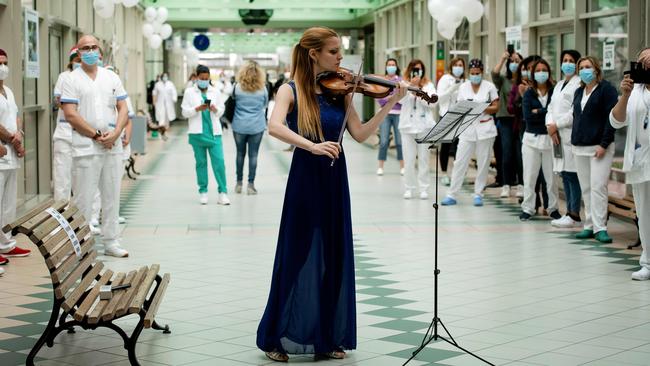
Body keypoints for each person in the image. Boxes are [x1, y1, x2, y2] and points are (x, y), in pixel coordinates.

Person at [256, 26, 408, 362]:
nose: (341, 59)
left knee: (334, 256)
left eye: (340, 52)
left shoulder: (341, 92)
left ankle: (326, 336)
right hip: (305, 178)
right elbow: (275, 126)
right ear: (314, 54)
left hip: (335, 177)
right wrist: (312, 145)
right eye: (334, 52)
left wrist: (389, 103)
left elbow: (360, 134)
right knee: (295, 255)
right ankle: (274, 336)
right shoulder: (290, 89)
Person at [61, 36, 130, 258]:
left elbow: (123, 108)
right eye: (85, 48)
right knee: (84, 199)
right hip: (86, 147)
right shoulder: (71, 79)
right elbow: (70, 114)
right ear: (78, 53)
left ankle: (112, 241)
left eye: (93, 47)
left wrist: (116, 133)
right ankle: (82, 247)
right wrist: (97, 135)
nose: (90, 51)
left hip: (112, 145)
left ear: (99, 52)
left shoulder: (111, 77)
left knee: (112, 196)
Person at [610, 48, 650, 280]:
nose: (645, 64)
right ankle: (647, 261)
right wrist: (624, 95)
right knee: (644, 213)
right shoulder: (633, 91)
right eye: (642, 60)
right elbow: (615, 121)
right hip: (639, 160)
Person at [571, 56, 618, 243]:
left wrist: (604, 143)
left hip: (600, 147)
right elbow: (576, 117)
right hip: (579, 146)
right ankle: (589, 225)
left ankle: (601, 228)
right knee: (587, 188)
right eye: (581, 67)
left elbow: (612, 119)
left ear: (596, 69)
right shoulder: (578, 91)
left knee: (598, 187)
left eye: (588, 66)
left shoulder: (607, 90)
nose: (584, 70)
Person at [442, 58, 499, 207]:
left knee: (483, 162)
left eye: (477, 73)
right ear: (469, 72)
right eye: (472, 73)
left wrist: (481, 107)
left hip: (485, 130)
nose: (475, 76)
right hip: (467, 130)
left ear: (481, 72)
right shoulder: (463, 87)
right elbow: (461, 105)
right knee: (460, 162)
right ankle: (452, 194)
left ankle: (478, 194)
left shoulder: (489, 87)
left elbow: (496, 107)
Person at [181, 64, 230, 205]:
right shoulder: (189, 92)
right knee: (201, 164)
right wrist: (197, 109)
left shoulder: (215, 92)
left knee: (219, 163)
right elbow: (184, 112)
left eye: (207, 78)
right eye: (202, 78)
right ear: (196, 77)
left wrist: (214, 109)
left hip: (214, 133)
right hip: (197, 134)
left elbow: (221, 110)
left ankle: (223, 193)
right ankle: (203, 191)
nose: (204, 81)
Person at [519, 58, 561, 221]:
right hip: (531, 140)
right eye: (538, 71)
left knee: (551, 178)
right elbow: (528, 117)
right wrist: (545, 112)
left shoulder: (555, 91)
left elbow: (556, 114)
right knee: (529, 176)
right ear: (533, 74)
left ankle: (553, 208)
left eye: (544, 70)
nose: (541, 73)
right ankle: (528, 208)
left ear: (549, 73)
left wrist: (539, 111)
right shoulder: (529, 93)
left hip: (551, 140)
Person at [0, 48, 30, 269]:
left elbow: (16, 116)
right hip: (3, 150)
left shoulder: (8, 91)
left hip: (11, 153)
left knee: (8, 204)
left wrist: (19, 135)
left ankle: (7, 243)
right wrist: (12, 138)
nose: (3, 67)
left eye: (5, 62)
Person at [546, 50, 583, 228]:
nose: (567, 63)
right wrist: (550, 127)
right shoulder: (559, 84)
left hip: (568, 135)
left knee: (572, 175)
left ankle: (574, 214)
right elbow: (551, 109)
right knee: (564, 174)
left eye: (571, 60)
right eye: (564, 60)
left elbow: (574, 112)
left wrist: (557, 126)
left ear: (577, 64)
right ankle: (568, 212)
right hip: (556, 136)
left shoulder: (578, 85)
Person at [399, 59, 437, 199]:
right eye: (415, 69)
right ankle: (408, 187)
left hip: (424, 126)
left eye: (419, 69)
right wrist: (410, 87)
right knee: (408, 160)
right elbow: (399, 101)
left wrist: (418, 93)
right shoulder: (403, 84)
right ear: (410, 70)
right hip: (407, 127)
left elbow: (432, 103)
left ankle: (423, 188)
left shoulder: (429, 85)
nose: (417, 71)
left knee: (424, 159)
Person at [232, 60, 269, 195]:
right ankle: (251, 185)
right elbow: (265, 105)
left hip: (239, 125)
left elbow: (233, 102)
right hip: (256, 126)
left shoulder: (237, 87)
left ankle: (238, 183)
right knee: (253, 156)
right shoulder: (263, 89)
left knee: (240, 154)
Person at [492, 49, 524, 197]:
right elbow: (494, 74)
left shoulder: (524, 81)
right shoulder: (504, 80)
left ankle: (521, 184)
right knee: (507, 152)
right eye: (513, 62)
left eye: (518, 62)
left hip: (521, 120)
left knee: (520, 153)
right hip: (505, 119)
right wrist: (503, 58)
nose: (515, 64)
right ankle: (506, 184)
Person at [52, 47, 80, 202]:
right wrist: (72, 105)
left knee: (80, 180)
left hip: (82, 136)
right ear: (71, 61)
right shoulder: (64, 77)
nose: (80, 63)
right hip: (64, 134)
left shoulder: (86, 78)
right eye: (77, 60)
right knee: (62, 179)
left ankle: (81, 220)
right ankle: (60, 221)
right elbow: (57, 100)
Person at [436, 57, 466, 186]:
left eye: (461, 65)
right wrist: (453, 88)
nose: (458, 67)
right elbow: (439, 99)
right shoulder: (445, 79)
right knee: (446, 146)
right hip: (447, 116)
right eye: (456, 65)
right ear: (451, 66)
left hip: (461, 117)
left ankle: (458, 174)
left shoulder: (466, 81)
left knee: (460, 147)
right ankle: (444, 173)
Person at [376, 58, 404, 176]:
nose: (391, 66)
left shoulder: (401, 81)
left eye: (393, 64)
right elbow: (378, 97)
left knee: (399, 141)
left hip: (398, 114)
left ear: (396, 66)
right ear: (386, 66)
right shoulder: (382, 80)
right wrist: (390, 98)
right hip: (385, 113)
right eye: (389, 64)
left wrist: (393, 98)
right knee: (383, 141)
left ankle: (402, 166)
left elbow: (402, 97)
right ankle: (380, 167)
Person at [153, 71, 177, 140]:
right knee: (161, 118)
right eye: (164, 76)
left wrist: (174, 99)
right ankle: (162, 133)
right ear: (161, 77)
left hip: (168, 104)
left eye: (166, 76)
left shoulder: (170, 84)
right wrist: (154, 102)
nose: (165, 77)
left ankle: (165, 132)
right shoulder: (158, 84)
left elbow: (174, 92)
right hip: (160, 104)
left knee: (167, 118)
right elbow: (154, 93)